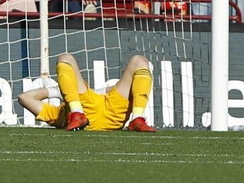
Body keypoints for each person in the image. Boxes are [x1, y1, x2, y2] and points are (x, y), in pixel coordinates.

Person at [18, 51, 156, 133]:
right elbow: (24, 98)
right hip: (109, 114)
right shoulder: (57, 115)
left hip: (109, 107)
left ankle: (137, 119)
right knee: (65, 58)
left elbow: (24, 98)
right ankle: (77, 113)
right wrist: (57, 91)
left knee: (140, 60)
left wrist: (60, 91)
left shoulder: (61, 113)